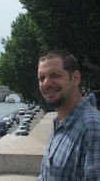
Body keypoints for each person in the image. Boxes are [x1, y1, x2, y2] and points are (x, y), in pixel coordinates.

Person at [37, 49, 100, 180]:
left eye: (54, 75)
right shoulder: (59, 122)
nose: (46, 83)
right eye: (41, 78)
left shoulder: (92, 127)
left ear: (75, 78)